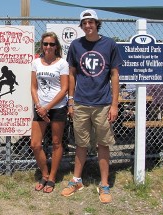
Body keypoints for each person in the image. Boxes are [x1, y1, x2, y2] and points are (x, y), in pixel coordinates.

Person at [60, 9, 123, 204]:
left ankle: (104, 184)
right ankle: (77, 180)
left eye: (91, 22)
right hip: (81, 102)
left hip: (103, 104)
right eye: (84, 23)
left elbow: (114, 75)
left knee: (103, 144)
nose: (88, 25)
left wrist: (114, 104)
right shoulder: (76, 45)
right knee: (81, 143)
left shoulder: (109, 44)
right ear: (81, 25)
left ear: (97, 23)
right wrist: (71, 101)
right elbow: (71, 74)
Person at [30, 32, 69, 193]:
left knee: (56, 143)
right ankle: (44, 174)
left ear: (56, 46)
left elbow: (65, 88)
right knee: (35, 144)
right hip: (40, 107)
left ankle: (52, 177)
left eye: (52, 44)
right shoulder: (36, 63)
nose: (48, 47)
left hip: (58, 108)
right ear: (42, 45)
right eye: (45, 44)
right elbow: (33, 87)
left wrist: (48, 107)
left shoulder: (62, 64)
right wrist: (39, 106)